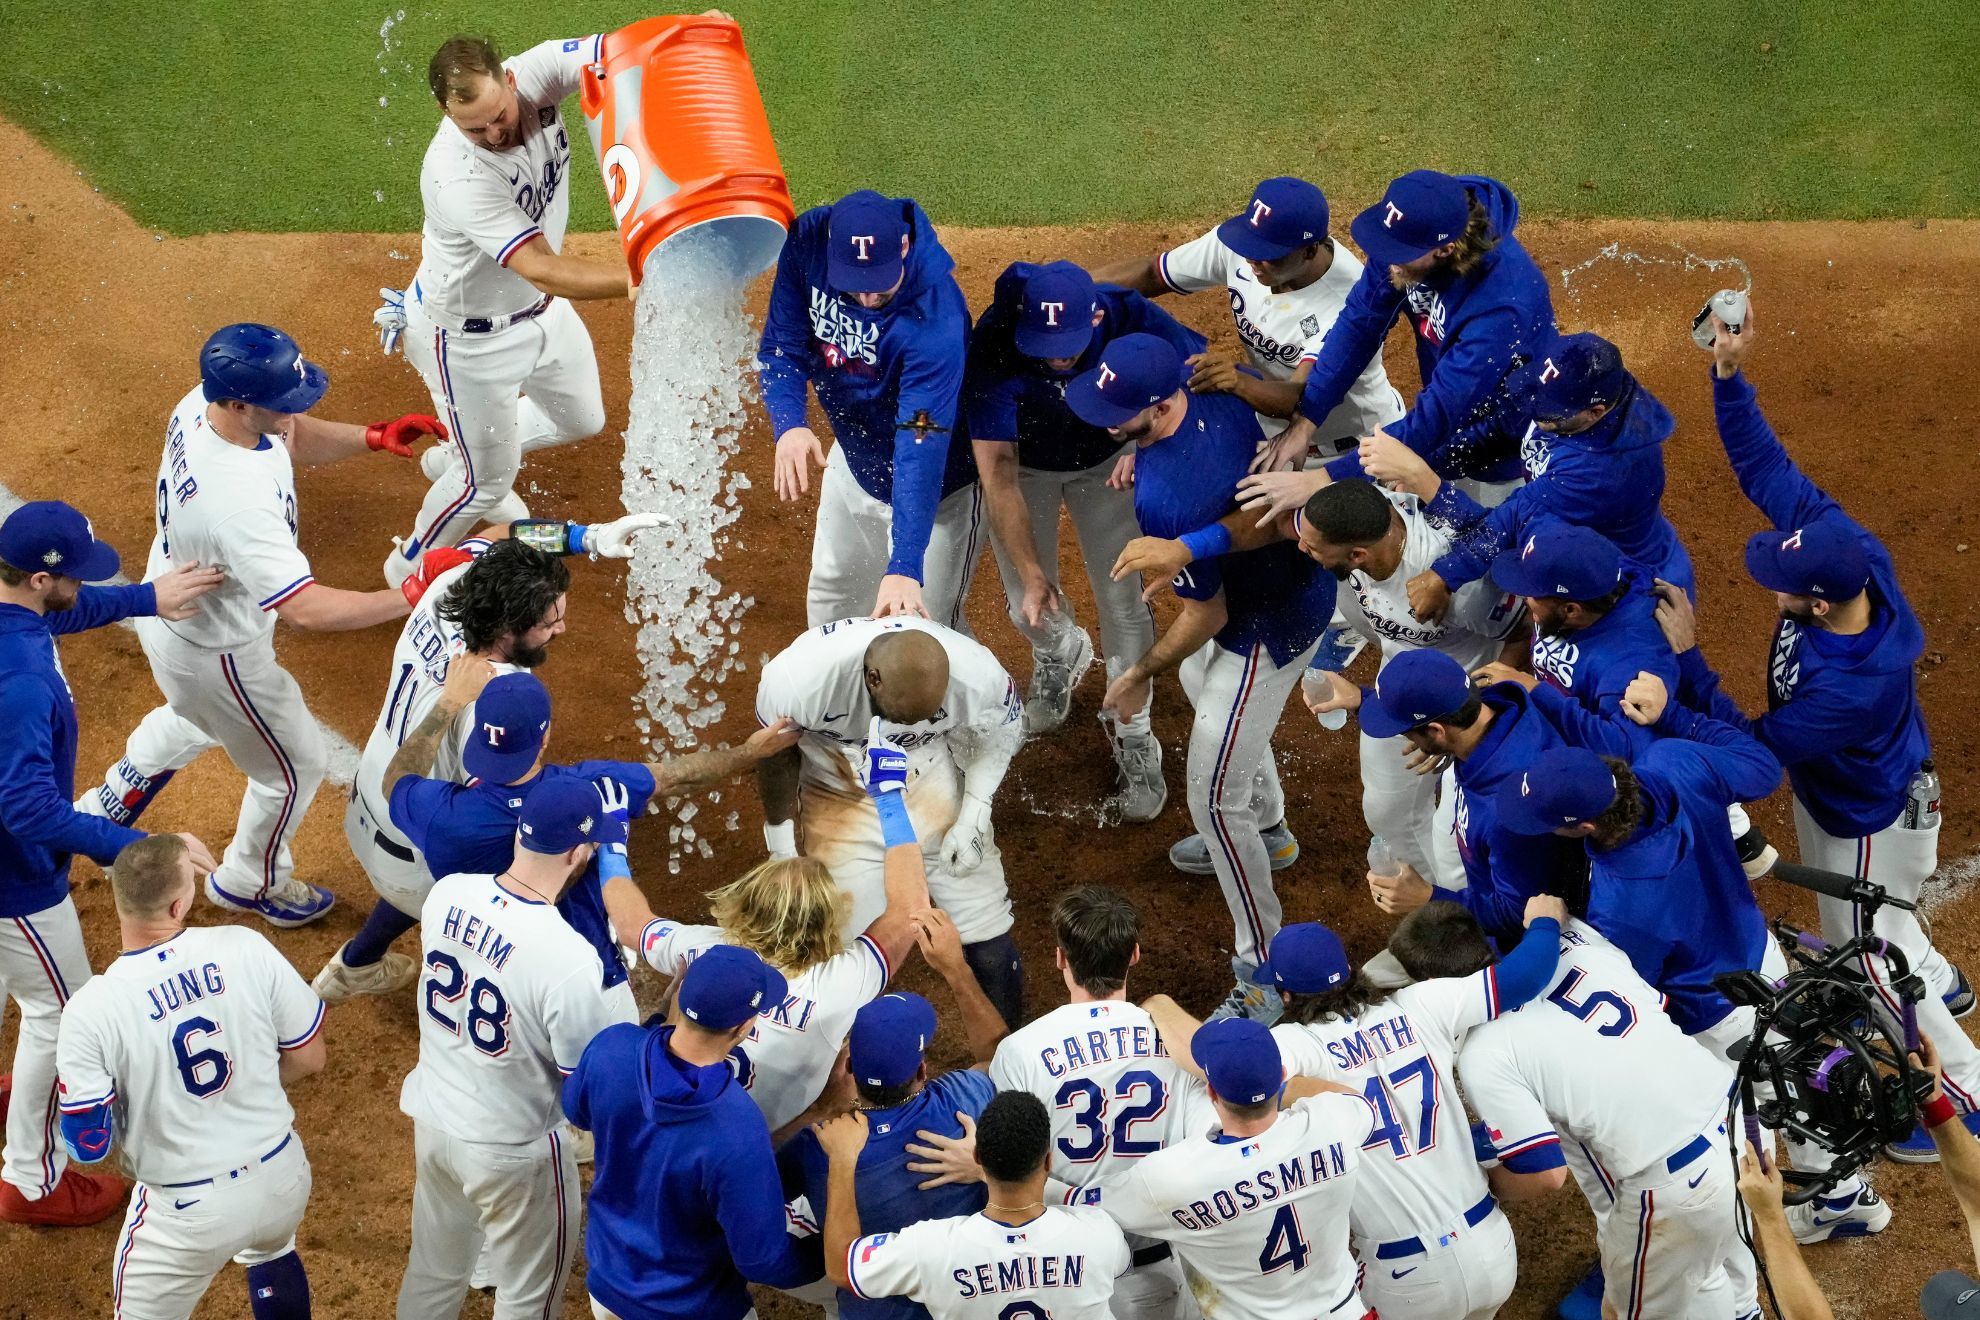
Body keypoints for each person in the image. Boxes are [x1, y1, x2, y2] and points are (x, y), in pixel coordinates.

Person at [1669, 304, 1980, 1165]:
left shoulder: (1851, 684)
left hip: (1869, 821)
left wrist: (1691, 665)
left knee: (1867, 946)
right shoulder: (1852, 557)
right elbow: (1770, 471)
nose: (1767, 572)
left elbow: (1756, 750)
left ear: (1814, 600)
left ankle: (1963, 1095)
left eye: (1779, 577)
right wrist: (1729, 378)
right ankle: (1944, 983)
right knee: (1877, 935)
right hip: (1852, 791)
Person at [81, 323, 439, 927]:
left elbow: (289, 434)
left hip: (176, 610)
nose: (293, 410)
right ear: (240, 403)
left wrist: (371, 437)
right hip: (218, 649)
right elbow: (305, 608)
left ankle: (105, 807)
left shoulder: (204, 403)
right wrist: (409, 593)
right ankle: (253, 880)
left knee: (197, 714)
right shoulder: (240, 507)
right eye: (281, 399)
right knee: (292, 765)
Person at [1073, 334, 1337, 1022]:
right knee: (1201, 689)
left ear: (1161, 405)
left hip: (1264, 624)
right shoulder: (1216, 390)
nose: (1103, 419)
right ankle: (1274, 830)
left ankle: (1264, 970)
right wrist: (1141, 448)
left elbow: (1207, 612)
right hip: (1284, 584)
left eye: (1119, 410)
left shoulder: (1167, 501)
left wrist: (1137, 672)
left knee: (1215, 800)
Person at [1144, 898, 1568, 1320]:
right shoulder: (1423, 1005)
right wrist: (1546, 922)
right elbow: (1527, 974)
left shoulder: (1297, 1046)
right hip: (1495, 1249)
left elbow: (1210, 1062)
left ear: (1286, 995)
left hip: (1408, 1279)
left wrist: (1158, 1004)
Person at [317, 519, 657, 1001]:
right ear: (507, 628)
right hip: (420, 859)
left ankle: (356, 965)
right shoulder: (497, 699)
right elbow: (492, 818)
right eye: (548, 623)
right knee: (547, 852)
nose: (561, 628)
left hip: (366, 806)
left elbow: (500, 533)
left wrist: (590, 539)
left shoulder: (449, 586)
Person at [0, 501, 220, 1227]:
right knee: (60, 1011)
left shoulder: (16, 619)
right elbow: (27, 811)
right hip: (15, 882)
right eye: (70, 576)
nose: (81, 585)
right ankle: (30, 1180)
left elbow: (53, 615)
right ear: (38, 577)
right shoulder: (24, 679)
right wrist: (142, 848)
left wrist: (141, 600)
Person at [375, 30, 641, 586]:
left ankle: (461, 453)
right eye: (475, 127)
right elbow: (542, 264)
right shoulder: (457, 173)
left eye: (499, 114)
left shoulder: (538, 71)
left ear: (510, 78)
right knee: (487, 487)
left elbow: (622, 49)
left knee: (582, 418)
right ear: (448, 116)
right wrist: (637, 280)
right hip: (468, 342)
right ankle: (408, 565)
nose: (494, 132)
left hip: (541, 313)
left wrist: (692, 34)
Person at [383, 668, 796, 1022]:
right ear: (544, 738)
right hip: (582, 980)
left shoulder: (438, 813)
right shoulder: (585, 790)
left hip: (485, 969)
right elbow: (676, 776)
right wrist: (748, 752)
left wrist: (448, 703)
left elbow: (396, 778)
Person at [1415, 905, 1740, 1320]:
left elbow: (1545, 1176)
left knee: (1627, 1311)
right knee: (1704, 1270)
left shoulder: (1482, 1052)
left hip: (1683, 1186)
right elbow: (1651, 1010)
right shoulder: (1580, 942)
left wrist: (1473, 1182)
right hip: (1739, 1120)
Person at [55, 834, 324, 1318]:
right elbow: (309, 1058)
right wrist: (247, 1084)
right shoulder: (246, 946)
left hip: (185, 1216)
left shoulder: (90, 1009)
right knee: (271, 1251)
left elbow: (86, 1146)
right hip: (282, 1177)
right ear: (179, 905)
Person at [965, 260, 1199, 816]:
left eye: (1067, 343)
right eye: (1043, 345)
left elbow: (1189, 372)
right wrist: (1030, 573)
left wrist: (1153, 450)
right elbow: (997, 470)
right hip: (1026, 470)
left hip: (1110, 462)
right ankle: (1056, 656)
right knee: (1028, 608)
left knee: (1123, 601)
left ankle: (1134, 729)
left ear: (1095, 315)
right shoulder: (995, 343)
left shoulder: (1125, 313)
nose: (1054, 358)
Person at [639, 717, 936, 1137]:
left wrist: (611, 847)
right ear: (829, 919)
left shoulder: (706, 952)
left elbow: (636, 925)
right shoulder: (841, 984)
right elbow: (911, 908)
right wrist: (887, 795)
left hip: (673, 1138)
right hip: (772, 1158)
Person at [394, 779, 622, 1320]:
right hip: (513, 1151)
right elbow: (581, 1093)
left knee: (433, 1269)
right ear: (576, 852)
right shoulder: (568, 957)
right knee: (529, 1295)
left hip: (434, 1124)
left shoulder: (447, 893)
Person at [754, 617, 1026, 1026]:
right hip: (838, 791)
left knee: (987, 934)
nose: (906, 726)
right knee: (839, 954)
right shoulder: (799, 679)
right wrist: (780, 849)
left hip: (930, 779)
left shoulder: (977, 674)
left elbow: (1003, 729)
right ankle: (845, 1078)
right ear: (873, 678)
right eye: (901, 714)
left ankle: (1003, 1066)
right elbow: (775, 757)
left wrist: (975, 811)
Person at [562, 943, 824, 1320]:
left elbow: (577, 1110)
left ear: (680, 995)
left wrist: (655, 1024)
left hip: (609, 1287)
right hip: (692, 1307)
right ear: (743, 1027)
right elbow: (764, 1261)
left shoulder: (612, 1046)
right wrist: (833, 1251)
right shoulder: (736, 1125)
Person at [757, 188, 981, 626]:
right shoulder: (807, 242)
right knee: (830, 600)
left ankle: (988, 695)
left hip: (936, 495)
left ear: (903, 246)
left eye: (879, 286)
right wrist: (789, 424)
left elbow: (920, 441)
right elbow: (782, 346)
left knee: (925, 633)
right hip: (853, 462)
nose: (865, 300)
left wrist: (905, 563)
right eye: (854, 286)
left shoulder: (938, 322)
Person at [1255, 169, 1555, 493]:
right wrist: (1306, 420)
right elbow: (1361, 321)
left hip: (1503, 434)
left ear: (1446, 249)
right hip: (1449, 402)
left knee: (1475, 523)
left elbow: (1441, 412)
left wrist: (1323, 479)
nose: (1388, 261)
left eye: (1399, 254)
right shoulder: (1415, 232)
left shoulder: (1503, 304)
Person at [1294, 479, 1528, 885]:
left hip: (1465, 700)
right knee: (1387, 813)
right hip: (1399, 682)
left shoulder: (1459, 588)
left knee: (1461, 837)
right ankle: (1434, 909)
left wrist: (1467, 723)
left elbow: (1524, 630)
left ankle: (1463, 914)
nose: (1303, 549)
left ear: (1357, 554)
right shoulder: (1366, 516)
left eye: (1314, 548)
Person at [1363, 331, 1696, 612]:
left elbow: (1508, 525)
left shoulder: (1604, 473)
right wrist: (1428, 458)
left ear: (1596, 412)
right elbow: (1499, 429)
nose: (1538, 417)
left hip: (1620, 590)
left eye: (1549, 415)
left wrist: (1445, 572)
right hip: (1567, 542)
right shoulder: (1563, 398)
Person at [989, 886, 1191, 1317]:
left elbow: (1017, 1167)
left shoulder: (1020, 1050)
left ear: (1061, 958)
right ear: (1134, 954)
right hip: (1171, 1261)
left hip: (1070, 1270)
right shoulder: (1178, 1042)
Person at [1092, 175, 1403, 456]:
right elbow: (1153, 274)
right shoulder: (1243, 246)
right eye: (1252, 246)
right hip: (1272, 442)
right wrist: (1077, 291)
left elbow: (1302, 398)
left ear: (1310, 250)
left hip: (1358, 449)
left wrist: (1237, 382)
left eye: (1270, 256)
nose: (1254, 261)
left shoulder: (1349, 305)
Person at [1098, 1017, 1375, 1319]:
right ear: (1282, 1075)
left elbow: (1085, 1206)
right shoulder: (1332, 1124)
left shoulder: (1171, 1177)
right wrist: (1271, 1088)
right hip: (1344, 1312)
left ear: (1212, 1092)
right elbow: (1353, 1099)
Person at [780, 984, 1004, 1320]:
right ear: (922, 1070)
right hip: (971, 1300)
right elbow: (995, 1061)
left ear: (849, 1068)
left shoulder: (817, 1145)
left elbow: (757, 1183)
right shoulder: (964, 1097)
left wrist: (820, 1110)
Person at [819, 1090, 1130, 1319]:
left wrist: (842, 1159)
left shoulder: (931, 1247)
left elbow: (840, 1265)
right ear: (1048, 1161)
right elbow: (1118, 1268)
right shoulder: (1100, 1233)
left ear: (978, 1157)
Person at [1350, 649, 1589, 945]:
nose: (1406, 740)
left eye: (1407, 733)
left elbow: (1519, 916)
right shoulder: (1499, 712)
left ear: (1436, 730)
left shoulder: (1513, 809)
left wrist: (1429, 897)